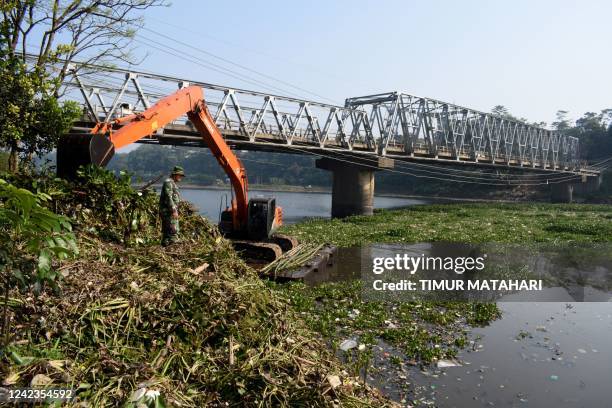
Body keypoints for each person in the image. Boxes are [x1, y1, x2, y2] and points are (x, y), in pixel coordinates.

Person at [159, 166, 185, 246]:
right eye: (180, 175)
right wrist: (173, 210)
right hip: (168, 211)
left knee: (167, 232)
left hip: (168, 210)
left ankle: (165, 246)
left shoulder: (171, 183)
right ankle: (173, 246)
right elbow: (168, 196)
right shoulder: (169, 182)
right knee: (173, 230)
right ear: (175, 175)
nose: (181, 178)